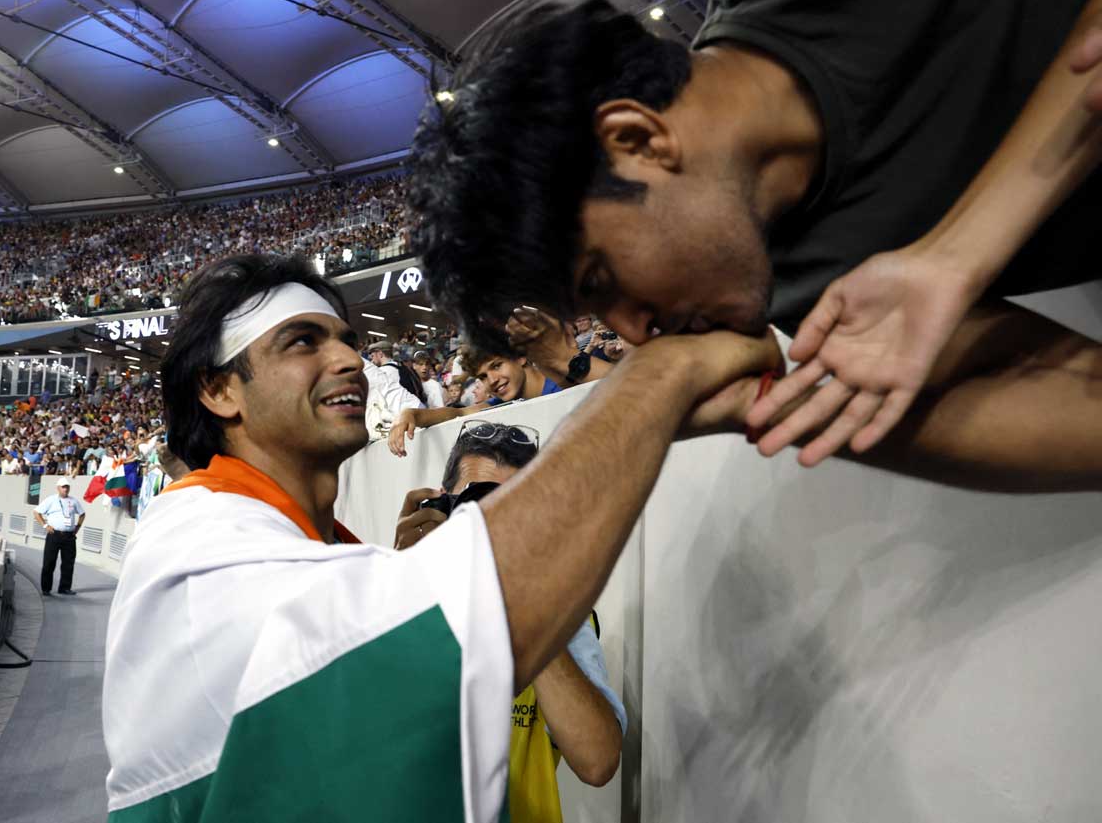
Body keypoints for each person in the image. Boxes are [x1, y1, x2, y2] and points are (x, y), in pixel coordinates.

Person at [101, 252, 782, 822]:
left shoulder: (327, 551)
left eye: (347, 339)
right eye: (303, 341)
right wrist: (657, 384)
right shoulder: (190, 537)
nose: (350, 360)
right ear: (220, 391)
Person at [406, 0, 1102, 492]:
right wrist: (763, 409)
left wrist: (959, 252)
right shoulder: (801, 288)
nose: (637, 333)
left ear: (637, 139)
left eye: (601, 281)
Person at [395, 420, 626, 822]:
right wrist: (398, 586)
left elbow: (598, 762)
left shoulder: (559, 619)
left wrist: (521, 604)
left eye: (518, 505)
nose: (498, 522)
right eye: (481, 505)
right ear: (443, 505)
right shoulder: (397, 597)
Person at [387, 345, 563, 457]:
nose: (492, 380)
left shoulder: (567, 388)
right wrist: (410, 414)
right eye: (483, 376)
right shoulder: (502, 404)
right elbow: (458, 413)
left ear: (520, 357)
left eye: (497, 365)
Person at [33, 476, 86, 596]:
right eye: (63, 487)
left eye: (67, 487)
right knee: (49, 562)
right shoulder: (51, 500)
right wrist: (45, 525)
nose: (65, 489)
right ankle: (46, 589)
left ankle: (65, 587)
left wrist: (77, 527)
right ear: (58, 488)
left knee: (68, 563)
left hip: (69, 536)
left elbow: (82, 514)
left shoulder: (73, 501)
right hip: (54, 535)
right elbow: (36, 512)